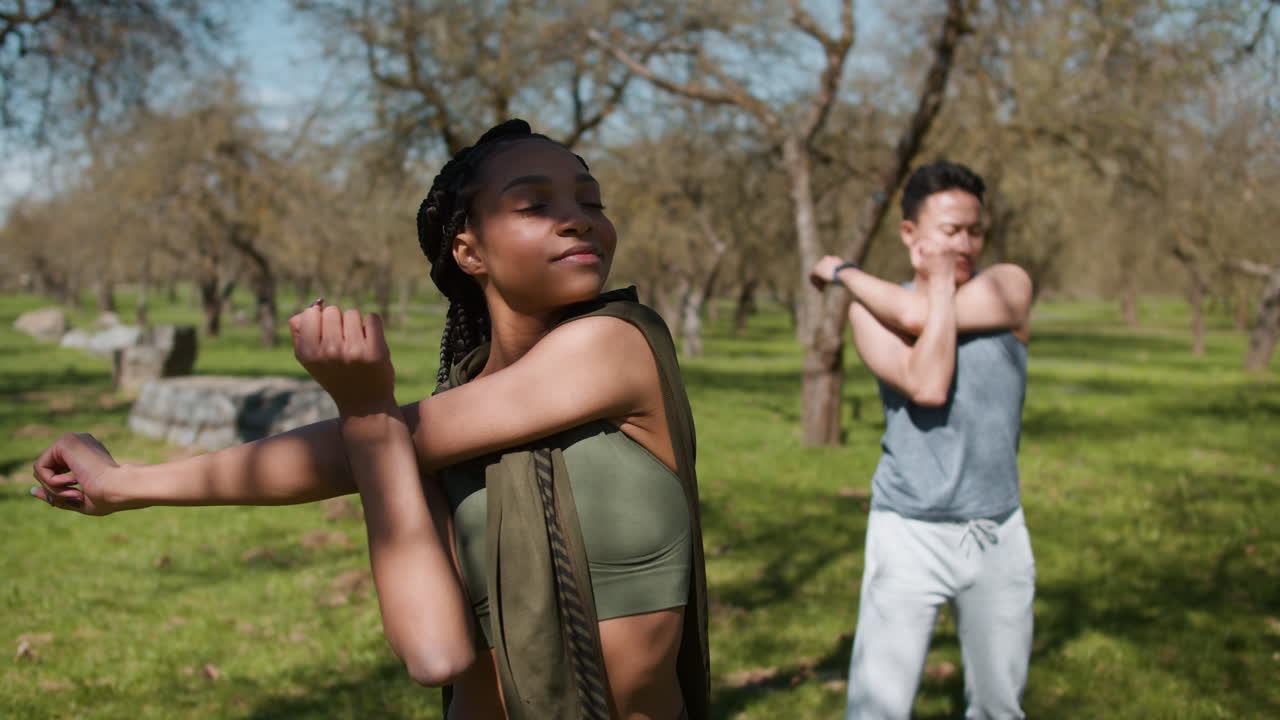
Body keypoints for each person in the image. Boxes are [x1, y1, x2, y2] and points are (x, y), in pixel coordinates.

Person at [30, 120, 709, 720]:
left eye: (591, 201)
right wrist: (128, 483)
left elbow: (356, 447)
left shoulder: (618, 344)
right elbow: (435, 653)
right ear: (469, 251)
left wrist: (366, 420)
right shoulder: (454, 408)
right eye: (535, 204)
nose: (580, 218)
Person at [809, 160, 1035, 720]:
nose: (965, 244)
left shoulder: (1008, 287)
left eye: (974, 230)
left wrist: (843, 271)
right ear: (909, 233)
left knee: (999, 708)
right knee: (877, 710)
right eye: (950, 231)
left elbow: (915, 313)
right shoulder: (870, 317)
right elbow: (928, 384)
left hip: (996, 533)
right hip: (906, 532)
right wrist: (923, 288)